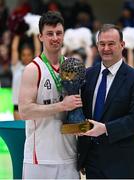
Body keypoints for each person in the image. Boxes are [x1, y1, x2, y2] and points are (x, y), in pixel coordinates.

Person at [78, 24, 134, 179]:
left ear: (122, 45)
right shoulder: (88, 75)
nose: (106, 48)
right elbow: (82, 113)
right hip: (93, 162)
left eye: (111, 44)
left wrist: (105, 128)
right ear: (97, 46)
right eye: (102, 44)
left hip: (125, 163)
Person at [18, 11, 82, 179]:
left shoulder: (72, 67)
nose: (55, 38)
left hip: (69, 157)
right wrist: (61, 105)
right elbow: (24, 112)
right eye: (49, 34)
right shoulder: (33, 69)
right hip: (39, 159)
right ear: (40, 37)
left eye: (59, 33)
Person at [11, 34, 41, 120]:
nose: (26, 57)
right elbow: (14, 49)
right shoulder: (16, 67)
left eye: (29, 54)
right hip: (17, 106)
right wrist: (18, 32)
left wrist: (35, 32)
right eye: (24, 55)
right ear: (20, 56)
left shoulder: (36, 66)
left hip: (32, 106)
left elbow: (38, 49)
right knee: (19, 132)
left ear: (32, 55)